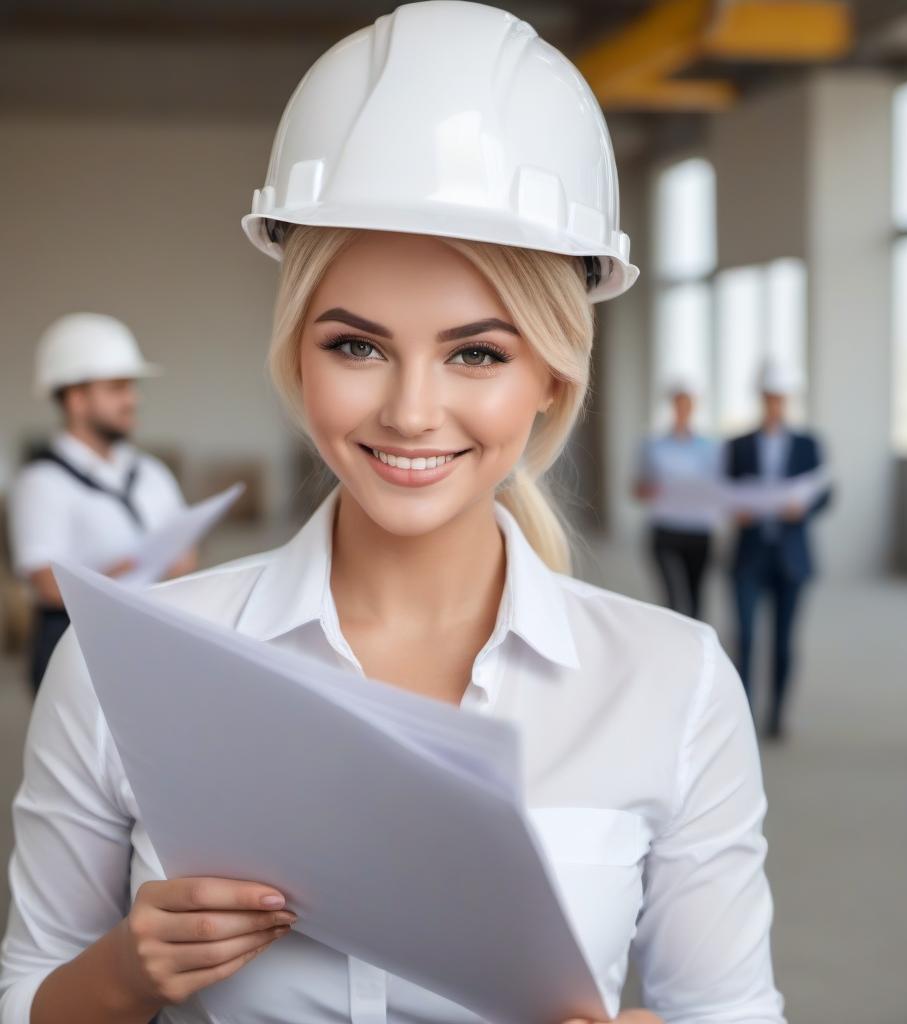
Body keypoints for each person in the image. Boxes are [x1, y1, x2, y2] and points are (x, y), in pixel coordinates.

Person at [0, 5, 786, 1023]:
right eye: (356, 345)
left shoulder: (670, 683)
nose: (411, 412)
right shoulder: (120, 673)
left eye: (477, 352)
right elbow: (27, 993)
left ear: (552, 374)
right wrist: (123, 973)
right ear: (295, 355)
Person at [6, 313, 195, 695]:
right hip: (77, 657)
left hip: (154, 645)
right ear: (76, 399)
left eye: (131, 386)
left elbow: (186, 556)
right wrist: (121, 578)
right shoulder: (40, 482)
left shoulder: (151, 472)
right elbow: (48, 587)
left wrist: (170, 565)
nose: (132, 399)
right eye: (117, 387)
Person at [726, 362, 830, 741]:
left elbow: (825, 493)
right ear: (761, 398)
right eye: (769, 397)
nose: (775, 404)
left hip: (792, 555)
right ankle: (744, 715)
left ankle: (777, 716)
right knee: (746, 638)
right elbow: (724, 491)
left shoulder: (808, 444)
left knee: (784, 642)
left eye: (780, 398)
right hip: (748, 554)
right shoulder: (738, 445)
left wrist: (804, 508)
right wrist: (735, 510)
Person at [634, 377, 721, 619]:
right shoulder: (653, 445)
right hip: (665, 528)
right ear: (672, 406)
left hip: (698, 529)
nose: (682, 409)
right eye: (678, 404)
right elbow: (637, 489)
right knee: (671, 599)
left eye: (688, 404)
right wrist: (651, 490)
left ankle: (694, 652)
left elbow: (719, 489)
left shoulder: (710, 448)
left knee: (696, 600)